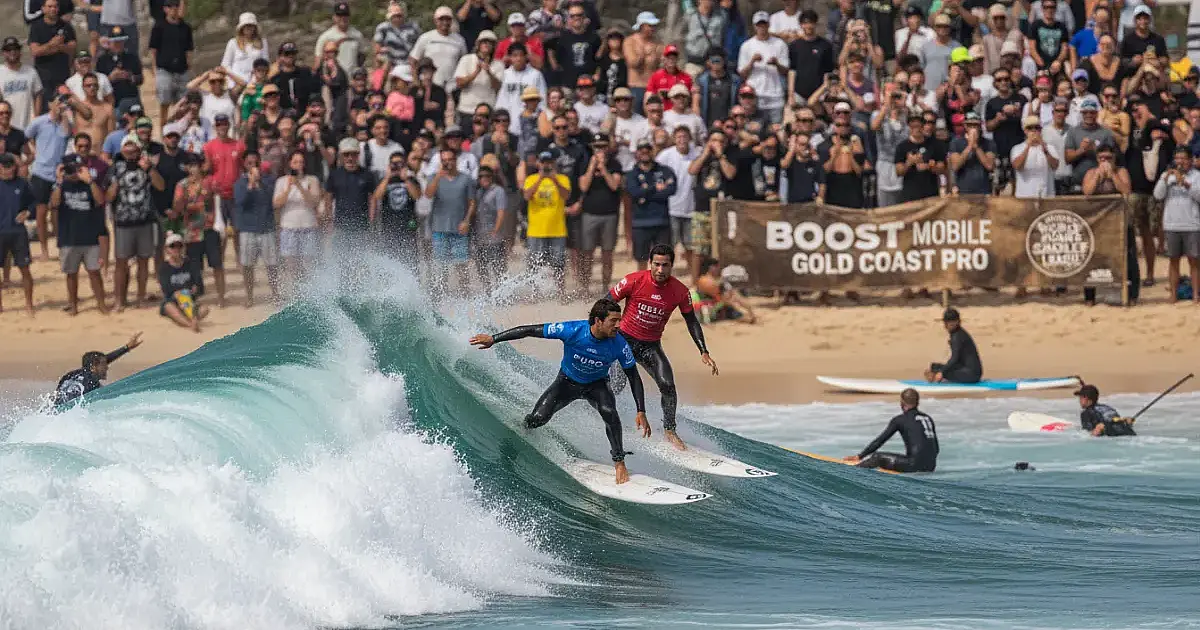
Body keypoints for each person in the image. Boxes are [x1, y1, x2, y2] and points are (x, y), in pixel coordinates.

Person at [469, 298, 649, 485]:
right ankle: (523, 430)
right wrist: (494, 339)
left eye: (619, 320)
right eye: (613, 321)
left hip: (597, 385)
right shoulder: (572, 330)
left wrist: (641, 410)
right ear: (598, 321)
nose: (619, 325)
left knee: (610, 413)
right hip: (567, 383)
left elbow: (633, 376)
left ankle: (619, 463)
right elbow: (530, 330)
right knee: (538, 418)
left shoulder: (619, 344)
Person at [609, 243, 718, 451]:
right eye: (656, 264)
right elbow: (607, 303)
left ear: (671, 266)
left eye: (665, 265)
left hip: (651, 346)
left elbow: (692, 321)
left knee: (668, 385)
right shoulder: (633, 280)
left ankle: (669, 430)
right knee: (615, 385)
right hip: (624, 342)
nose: (660, 270)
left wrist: (703, 351)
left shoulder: (679, 291)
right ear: (650, 263)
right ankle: (601, 416)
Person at [52, 153, 108, 315]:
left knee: (94, 273)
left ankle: (101, 304)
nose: (74, 172)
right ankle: (73, 304)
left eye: (77, 168)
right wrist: (59, 182)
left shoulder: (88, 184)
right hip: (68, 237)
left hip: (89, 236)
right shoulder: (60, 186)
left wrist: (89, 180)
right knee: (71, 274)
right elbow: (54, 204)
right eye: (71, 168)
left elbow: (100, 200)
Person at [843, 388, 939, 473]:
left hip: (913, 465)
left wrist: (860, 456)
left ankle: (851, 473)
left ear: (902, 402)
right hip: (931, 466)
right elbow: (936, 449)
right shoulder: (928, 418)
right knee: (910, 459)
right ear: (917, 402)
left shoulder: (900, 419)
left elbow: (880, 440)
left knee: (877, 457)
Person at [52, 331, 143, 405]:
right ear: (93, 366)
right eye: (104, 364)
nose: (107, 368)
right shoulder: (92, 382)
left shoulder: (70, 375)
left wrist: (126, 348)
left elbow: (57, 396)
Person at [0, 152, 36, 315]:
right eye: (4, 166)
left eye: (10, 166)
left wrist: (27, 212)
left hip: (18, 233)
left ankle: (29, 304)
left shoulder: (22, 183)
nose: (7, 170)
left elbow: (34, 202)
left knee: (24, 268)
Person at [158, 231, 207, 331]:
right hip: (172, 301)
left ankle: (191, 320)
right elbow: (166, 289)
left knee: (205, 309)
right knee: (169, 307)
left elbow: (199, 285)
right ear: (167, 249)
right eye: (172, 246)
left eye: (179, 246)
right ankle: (191, 324)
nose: (176, 249)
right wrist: (178, 292)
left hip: (189, 300)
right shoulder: (164, 268)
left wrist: (194, 289)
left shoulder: (190, 264)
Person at [924, 307, 982, 384]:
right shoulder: (958, 333)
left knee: (938, 370)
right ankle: (939, 377)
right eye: (946, 323)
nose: (947, 326)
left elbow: (954, 358)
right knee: (935, 367)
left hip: (971, 375)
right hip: (969, 371)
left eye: (951, 323)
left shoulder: (957, 336)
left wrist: (942, 372)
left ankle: (938, 379)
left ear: (958, 322)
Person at [694, 257, 756, 323]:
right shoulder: (705, 280)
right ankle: (747, 313)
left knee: (734, 295)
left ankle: (748, 312)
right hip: (710, 308)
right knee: (731, 298)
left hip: (720, 305)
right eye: (717, 267)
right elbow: (719, 296)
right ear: (711, 267)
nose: (719, 269)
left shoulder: (713, 280)